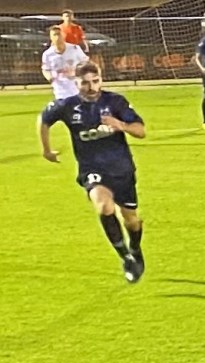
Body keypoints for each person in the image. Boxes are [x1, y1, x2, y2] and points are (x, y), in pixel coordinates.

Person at [38, 61, 147, 283]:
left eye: (95, 81)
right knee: (104, 205)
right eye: (85, 83)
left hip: (122, 169)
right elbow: (44, 119)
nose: (91, 87)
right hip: (92, 169)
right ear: (76, 82)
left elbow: (141, 131)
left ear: (101, 80)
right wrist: (46, 150)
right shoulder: (68, 106)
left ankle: (135, 248)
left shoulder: (115, 101)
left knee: (132, 220)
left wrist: (120, 125)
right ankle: (125, 257)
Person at [41, 25, 88, 103]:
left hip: (77, 87)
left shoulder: (75, 49)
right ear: (51, 38)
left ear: (63, 35)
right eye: (54, 35)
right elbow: (45, 69)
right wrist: (50, 78)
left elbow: (86, 62)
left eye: (59, 34)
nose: (57, 37)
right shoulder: (47, 54)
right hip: (60, 90)